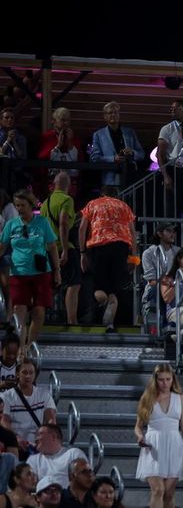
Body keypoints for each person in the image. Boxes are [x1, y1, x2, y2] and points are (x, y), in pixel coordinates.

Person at [0, 189, 60, 347]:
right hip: (18, 273)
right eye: (17, 205)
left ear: (30, 205)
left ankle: (30, 344)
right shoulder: (11, 224)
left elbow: (52, 246)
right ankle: (20, 346)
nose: (19, 209)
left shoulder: (42, 222)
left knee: (39, 311)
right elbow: (2, 246)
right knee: (19, 309)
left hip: (40, 272)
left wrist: (57, 271)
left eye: (23, 205)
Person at [133, 364, 183, 508]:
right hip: (153, 446)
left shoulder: (179, 398)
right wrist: (140, 437)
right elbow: (138, 426)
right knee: (158, 490)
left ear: (173, 379)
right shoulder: (147, 398)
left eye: (168, 379)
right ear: (155, 380)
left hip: (174, 445)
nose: (165, 383)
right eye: (161, 380)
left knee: (169, 493)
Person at [77, 185, 136, 334]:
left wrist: (82, 253)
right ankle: (109, 323)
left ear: (102, 194)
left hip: (98, 247)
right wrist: (134, 259)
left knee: (98, 287)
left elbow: (82, 228)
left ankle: (102, 304)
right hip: (120, 248)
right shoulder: (124, 206)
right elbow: (133, 233)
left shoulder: (93, 204)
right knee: (114, 289)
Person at [43, 172, 80, 327]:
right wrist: (65, 249)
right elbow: (63, 224)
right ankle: (72, 321)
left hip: (46, 249)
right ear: (69, 185)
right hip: (62, 248)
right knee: (74, 284)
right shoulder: (67, 199)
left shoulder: (46, 202)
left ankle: (40, 317)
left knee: (52, 286)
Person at [0, 359, 56, 450]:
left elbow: (51, 419)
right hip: (16, 442)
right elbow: (4, 421)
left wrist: (46, 435)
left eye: (31, 373)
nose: (28, 376)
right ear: (17, 374)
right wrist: (15, 438)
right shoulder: (7, 396)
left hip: (38, 442)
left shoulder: (44, 395)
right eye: (24, 372)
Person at [89, 101, 144, 189]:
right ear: (105, 116)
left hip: (130, 178)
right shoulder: (98, 135)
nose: (113, 115)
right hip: (109, 181)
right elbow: (95, 158)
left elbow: (141, 154)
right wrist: (113, 158)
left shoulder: (129, 132)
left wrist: (132, 153)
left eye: (116, 112)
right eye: (110, 113)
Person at [27, 424, 84, 491]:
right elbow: (29, 485)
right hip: (44, 498)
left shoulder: (74, 454)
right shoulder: (33, 459)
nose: (36, 439)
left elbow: (84, 480)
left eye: (40, 434)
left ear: (54, 436)